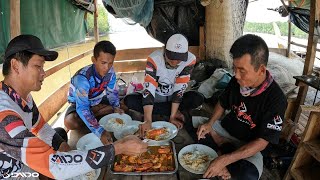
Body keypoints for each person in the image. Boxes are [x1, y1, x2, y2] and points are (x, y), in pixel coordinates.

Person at [0, 35, 148, 179]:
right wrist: (118, 147)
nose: (43, 73)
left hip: (25, 166)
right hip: (17, 174)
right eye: (38, 66)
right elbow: (55, 166)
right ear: (15, 66)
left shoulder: (23, 98)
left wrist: (63, 145)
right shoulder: (5, 115)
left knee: (59, 134)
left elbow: (41, 128)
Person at [197, 34, 287, 180]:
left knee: (248, 174)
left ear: (261, 70)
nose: (236, 75)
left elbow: (262, 142)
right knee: (197, 128)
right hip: (224, 130)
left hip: (248, 146)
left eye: (242, 70)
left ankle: (224, 155)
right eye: (234, 68)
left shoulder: (276, 99)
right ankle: (222, 147)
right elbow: (222, 103)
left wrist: (225, 160)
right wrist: (210, 123)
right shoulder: (236, 82)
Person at [124, 33, 204, 136]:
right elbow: (149, 90)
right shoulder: (154, 59)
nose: (175, 62)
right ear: (164, 50)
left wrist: (172, 116)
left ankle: (164, 112)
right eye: (171, 58)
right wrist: (148, 120)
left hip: (173, 98)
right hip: (155, 97)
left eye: (179, 59)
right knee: (129, 100)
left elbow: (179, 89)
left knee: (197, 98)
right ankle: (168, 111)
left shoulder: (190, 59)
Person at [64, 40, 124, 145]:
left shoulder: (110, 73)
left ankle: (94, 113)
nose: (107, 67)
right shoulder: (82, 78)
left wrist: (116, 107)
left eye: (110, 63)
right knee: (70, 122)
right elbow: (82, 107)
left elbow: (112, 93)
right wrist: (100, 132)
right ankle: (96, 113)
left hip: (98, 99)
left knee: (123, 108)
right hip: (79, 103)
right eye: (103, 63)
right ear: (94, 60)